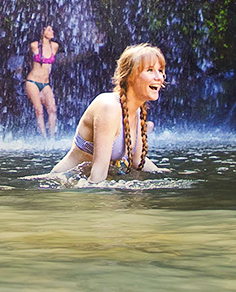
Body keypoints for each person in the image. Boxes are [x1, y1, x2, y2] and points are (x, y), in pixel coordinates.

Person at [50, 43, 166, 185]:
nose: (159, 77)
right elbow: (98, 173)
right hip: (63, 185)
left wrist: (167, 177)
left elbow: (137, 162)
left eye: (160, 70)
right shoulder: (109, 107)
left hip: (81, 183)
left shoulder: (137, 110)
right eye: (150, 70)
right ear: (130, 76)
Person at [23, 24, 60, 139]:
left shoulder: (55, 46)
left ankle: (52, 138)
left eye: (52, 29)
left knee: (52, 109)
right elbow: (29, 59)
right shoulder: (34, 46)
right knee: (39, 110)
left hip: (45, 83)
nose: (52, 31)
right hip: (32, 81)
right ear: (42, 32)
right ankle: (43, 138)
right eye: (49, 30)